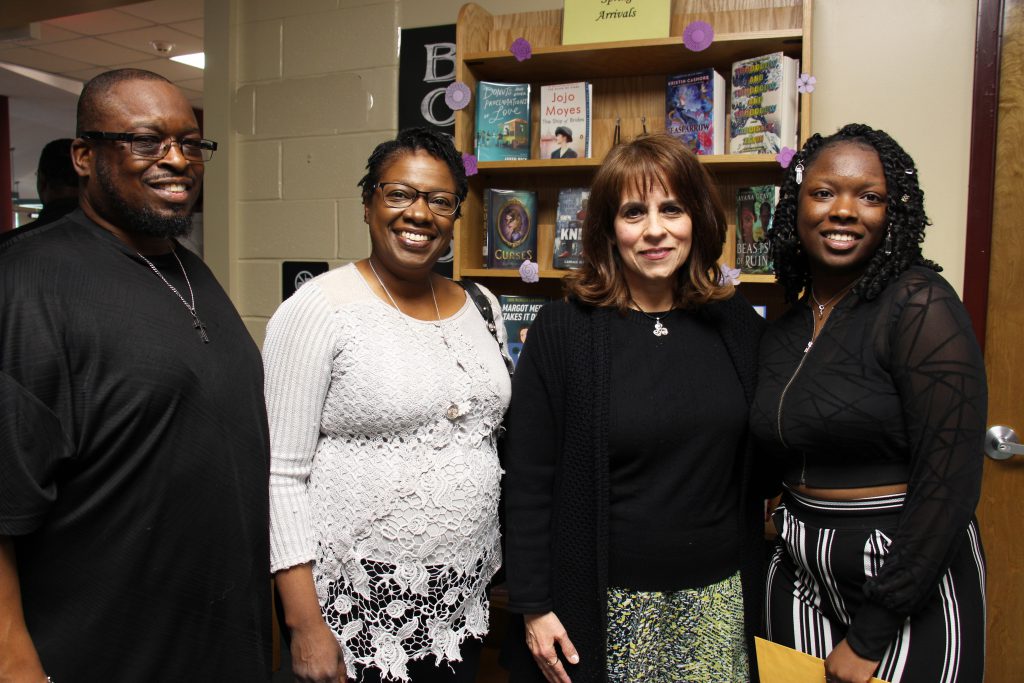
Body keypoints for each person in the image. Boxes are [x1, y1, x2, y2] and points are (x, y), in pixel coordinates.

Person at [0, 68, 271, 681]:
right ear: (83, 156)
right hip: (102, 655)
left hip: (219, 646)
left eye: (191, 144)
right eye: (147, 141)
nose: (177, 160)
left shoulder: (188, 268)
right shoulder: (27, 284)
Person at [502, 133, 766, 682]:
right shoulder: (562, 331)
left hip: (718, 603)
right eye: (633, 212)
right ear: (606, 228)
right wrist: (533, 604)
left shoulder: (737, 326)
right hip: (600, 606)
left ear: (698, 219)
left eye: (672, 208)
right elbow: (527, 479)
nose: (654, 230)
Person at [264, 127, 512, 683]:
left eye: (440, 201)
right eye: (399, 194)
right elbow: (279, 475)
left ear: (455, 215)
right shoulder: (319, 308)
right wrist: (305, 626)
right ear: (369, 202)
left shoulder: (482, 304)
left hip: (459, 598)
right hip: (350, 605)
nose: (418, 214)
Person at [750, 123, 987, 683]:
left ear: (892, 215)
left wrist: (873, 630)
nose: (844, 210)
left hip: (903, 566)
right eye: (825, 192)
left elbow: (948, 481)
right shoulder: (782, 331)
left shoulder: (920, 304)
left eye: (870, 197)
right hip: (799, 563)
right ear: (797, 206)